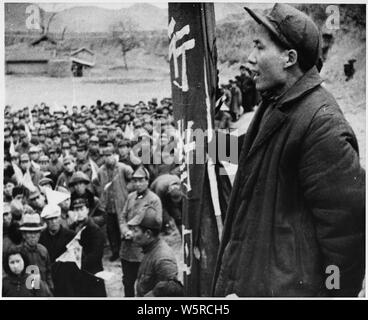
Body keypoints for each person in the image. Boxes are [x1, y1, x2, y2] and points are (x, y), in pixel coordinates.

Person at [212, 4, 365, 297]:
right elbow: (253, 151)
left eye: (259, 47)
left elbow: (346, 237)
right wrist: (196, 148)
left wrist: (334, 295)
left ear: (289, 58)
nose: (250, 57)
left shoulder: (322, 125)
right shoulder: (277, 101)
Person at [118, 166, 163, 297]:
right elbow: (122, 217)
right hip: (127, 249)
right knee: (127, 282)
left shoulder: (154, 200)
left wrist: (136, 234)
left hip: (143, 251)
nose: (137, 184)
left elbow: (157, 223)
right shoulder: (131, 197)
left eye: (141, 180)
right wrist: (125, 230)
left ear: (147, 181)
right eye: (135, 181)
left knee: (145, 285)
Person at [128, 205, 179, 297]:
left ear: (148, 233)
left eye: (135, 231)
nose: (132, 235)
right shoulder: (150, 249)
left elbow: (172, 289)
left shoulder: (163, 258)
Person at [97, 145, 133, 261]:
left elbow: (133, 178)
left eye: (110, 155)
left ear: (114, 155)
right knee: (111, 230)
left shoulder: (123, 168)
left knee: (122, 227)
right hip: (108, 206)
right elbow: (98, 184)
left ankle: (125, 252)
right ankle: (115, 252)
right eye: (105, 156)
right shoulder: (101, 171)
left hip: (121, 204)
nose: (108, 158)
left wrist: (126, 190)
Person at [19, 213, 54, 293]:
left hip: (42, 291)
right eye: (29, 233)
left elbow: (48, 272)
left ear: (40, 234)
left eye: (36, 232)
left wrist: (49, 288)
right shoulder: (19, 252)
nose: (33, 236)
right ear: (24, 235)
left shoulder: (43, 250)